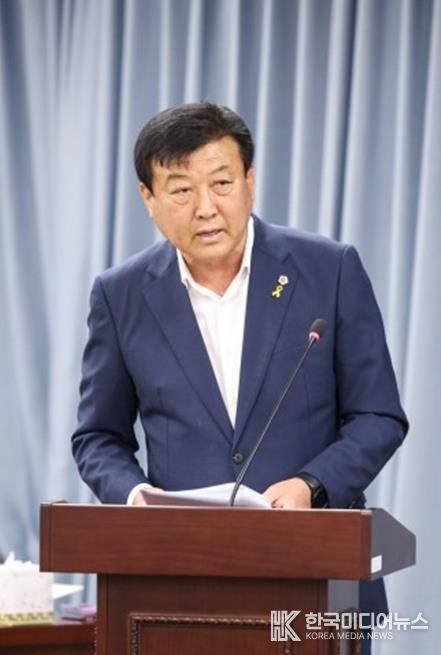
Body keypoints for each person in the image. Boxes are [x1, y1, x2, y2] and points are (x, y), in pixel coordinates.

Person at [71, 102, 407, 648]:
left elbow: (378, 415)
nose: (205, 208)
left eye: (221, 183)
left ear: (250, 181)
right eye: (181, 190)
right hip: (178, 585)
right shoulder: (120, 294)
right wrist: (135, 499)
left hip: (320, 577)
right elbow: (97, 437)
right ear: (148, 199)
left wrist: (311, 485)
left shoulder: (329, 269)